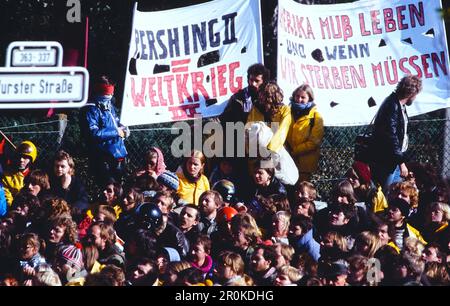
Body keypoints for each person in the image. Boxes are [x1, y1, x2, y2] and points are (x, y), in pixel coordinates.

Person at [369, 75, 423, 193]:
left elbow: (397, 131)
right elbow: (390, 137)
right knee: (387, 194)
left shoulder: (398, 104)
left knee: (394, 193)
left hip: (394, 159)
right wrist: (401, 163)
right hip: (388, 161)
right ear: (411, 93)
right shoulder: (392, 106)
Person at [80, 75, 130, 187]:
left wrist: (123, 127)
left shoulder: (109, 105)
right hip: (103, 156)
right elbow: (93, 133)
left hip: (118, 153)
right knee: (108, 188)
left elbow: (115, 120)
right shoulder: (90, 109)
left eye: (111, 93)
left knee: (118, 188)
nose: (111, 96)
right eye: (108, 94)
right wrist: (116, 131)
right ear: (100, 93)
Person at [286, 84, 324, 182]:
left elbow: (314, 142)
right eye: (297, 96)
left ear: (309, 98)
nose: (299, 99)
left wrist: (294, 151)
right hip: (287, 161)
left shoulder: (316, 117)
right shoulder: (286, 112)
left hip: (304, 165)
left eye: (303, 97)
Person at [2, 140, 37, 206]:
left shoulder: (36, 176)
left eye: (25, 157)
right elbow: (8, 200)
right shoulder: (7, 176)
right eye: (19, 156)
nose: (21, 160)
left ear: (31, 159)